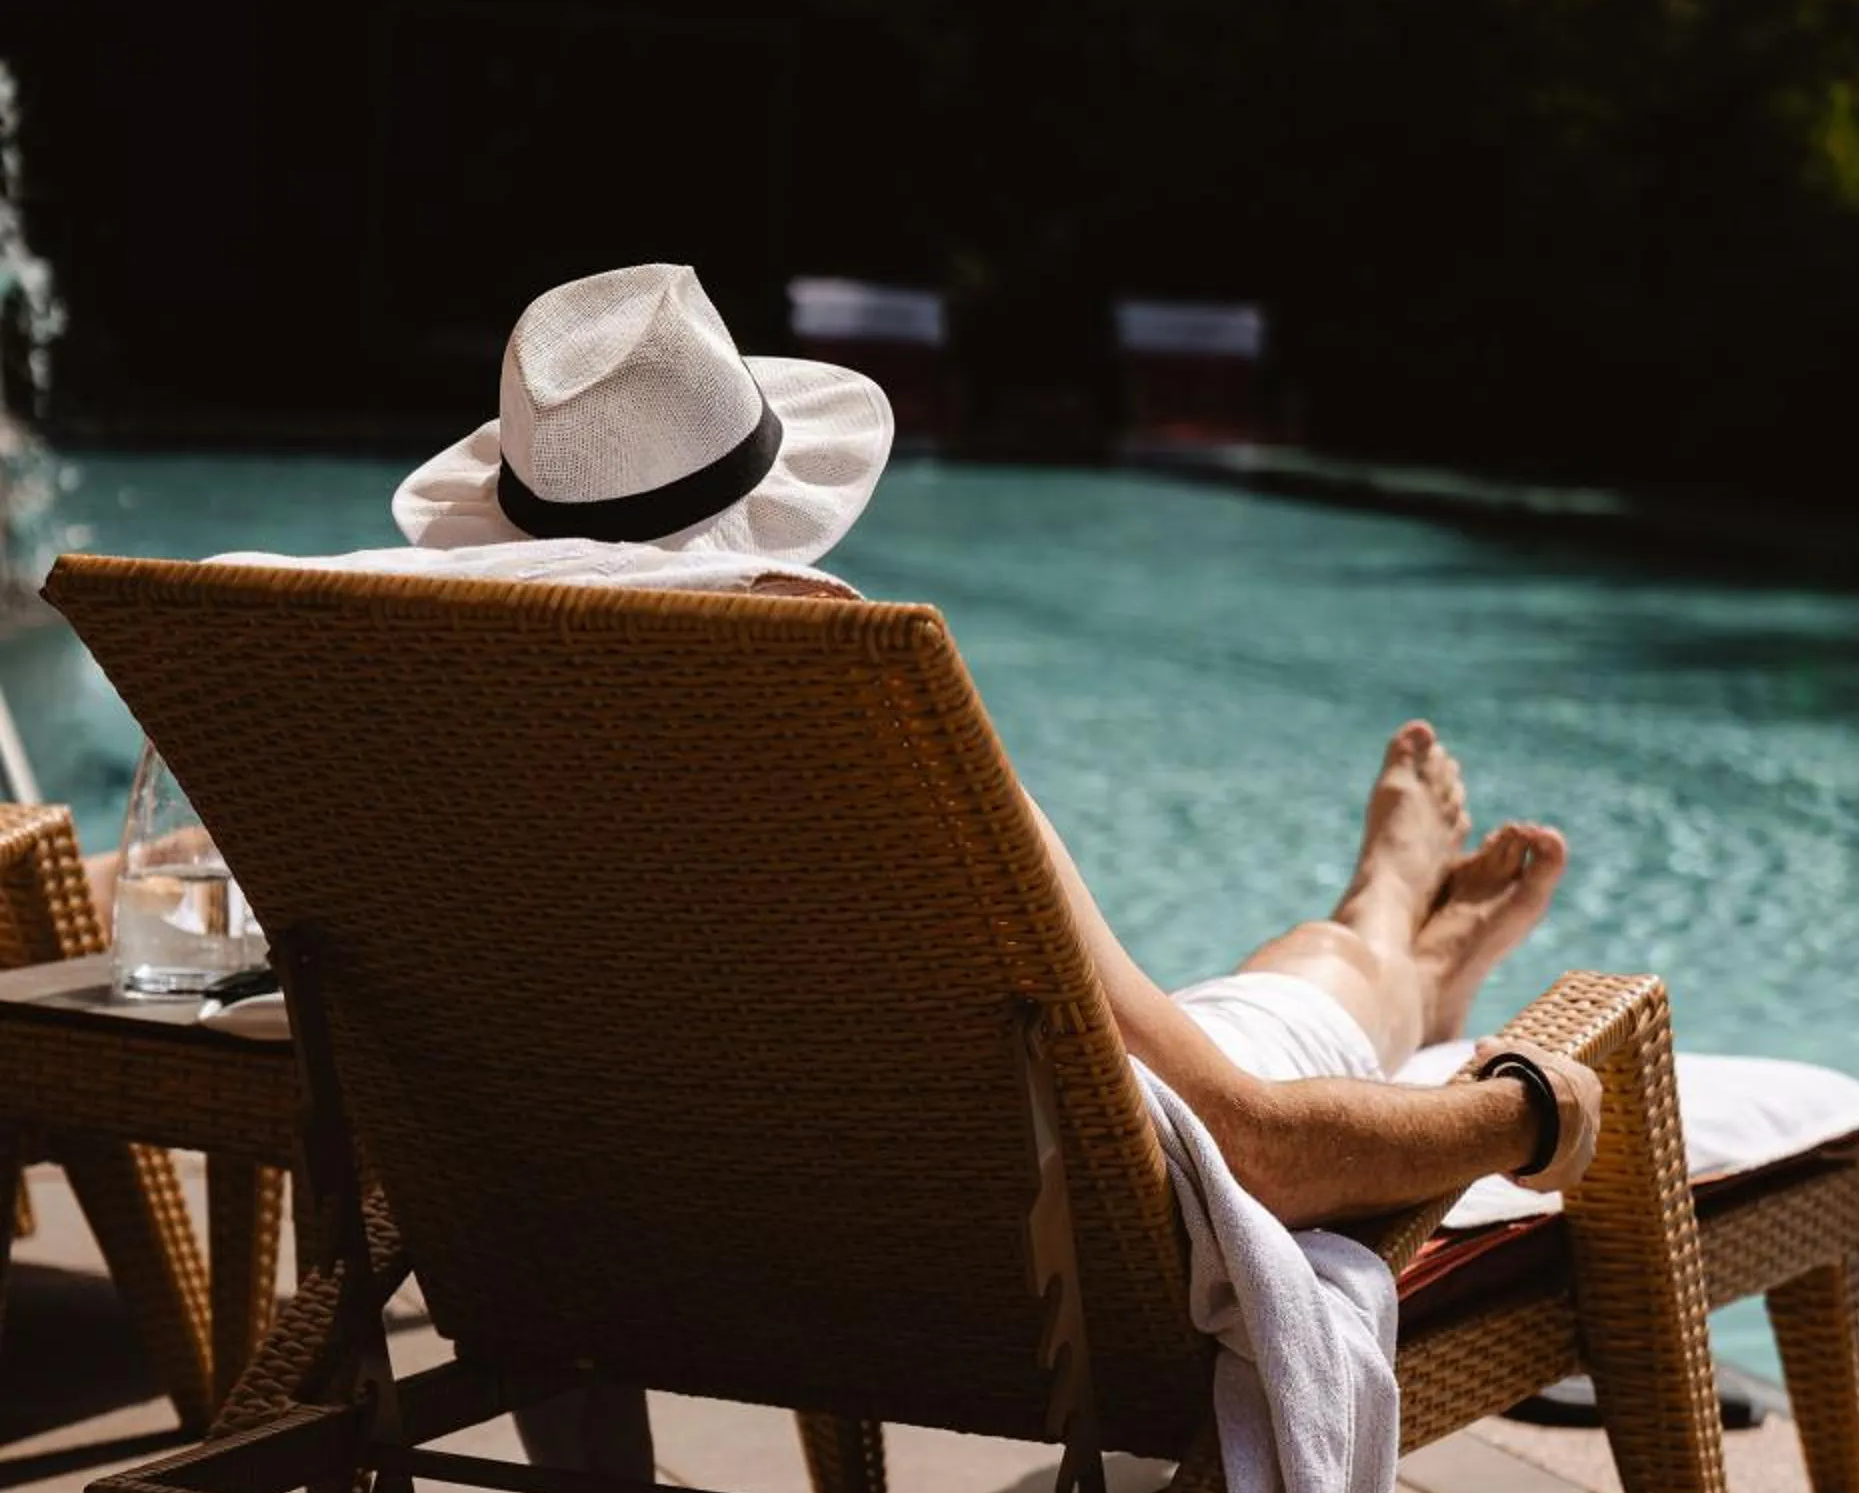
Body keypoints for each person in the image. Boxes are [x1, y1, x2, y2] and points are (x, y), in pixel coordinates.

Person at [204, 260, 1600, 1216]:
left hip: (597, 1225)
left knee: (1289, 983)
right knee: (1307, 993)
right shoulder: (851, 721)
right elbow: (1258, 1146)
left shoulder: (421, 744)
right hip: (1008, 1231)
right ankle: (1397, 947)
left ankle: (1395, 933)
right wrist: (1527, 1115)